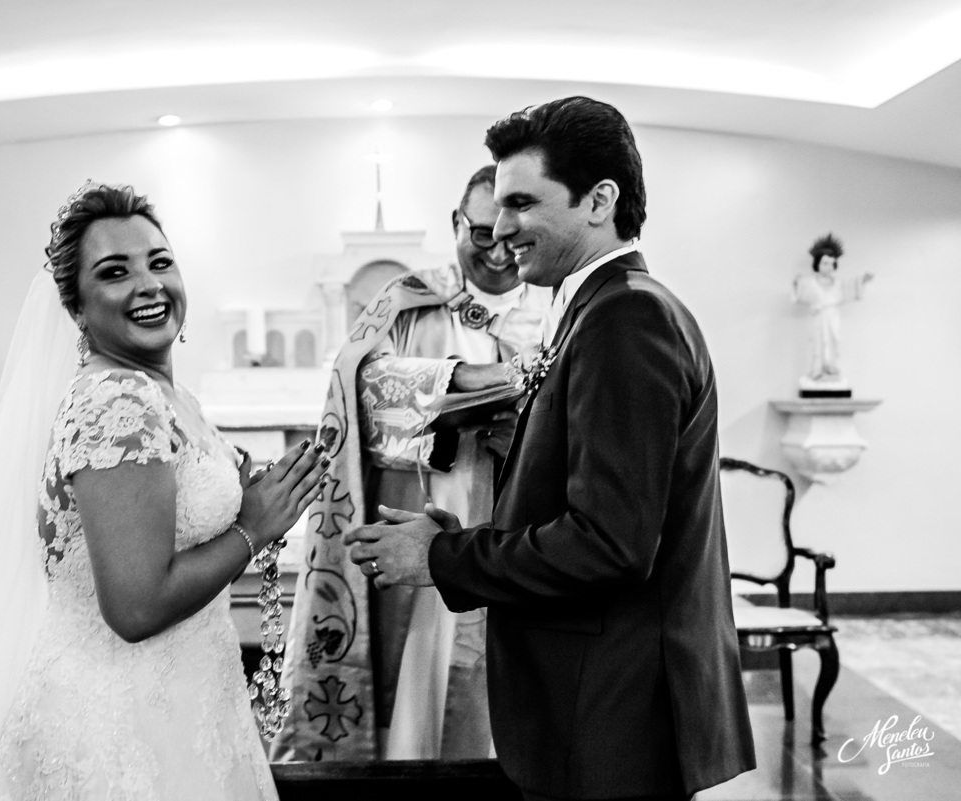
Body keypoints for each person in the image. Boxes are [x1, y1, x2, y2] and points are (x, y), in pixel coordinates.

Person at [0, 182, 329, 800]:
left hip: (182, 699)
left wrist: (245, 500)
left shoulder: (169, 398)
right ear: (77, 308)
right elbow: (134, 608)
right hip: (119, 720)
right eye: (115, 272)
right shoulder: (118, 401)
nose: (150, 284)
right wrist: (253, 530)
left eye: (160, 262)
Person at [345, 97, 756, 800]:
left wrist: (443, 556)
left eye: (523, 203)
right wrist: (473, 532)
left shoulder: (626, 319)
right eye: (495, 209)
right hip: (601, 702)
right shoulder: (607, 307)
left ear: (600, 201)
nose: (503, 230)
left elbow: (610, 544)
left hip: (609, 710)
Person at [271, 166, 550, 762]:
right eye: (480, 233)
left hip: (517, 531)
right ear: (456, 224)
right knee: (417, 692)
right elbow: (361, 386)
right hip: (421, 519)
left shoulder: (554, 310)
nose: (498, 252)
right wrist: (468, 388)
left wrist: (527, 432)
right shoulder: (406, 301)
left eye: (510, 236)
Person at [792, 233, 873, 390]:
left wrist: (863, 280)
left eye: (830, 263)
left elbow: (851, 286)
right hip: (818, 318)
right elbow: (800, 294)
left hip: (832, 317)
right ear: (817, 264)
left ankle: (831, 370)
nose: (827, 267)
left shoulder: (838, 284)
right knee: (818, 344)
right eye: (824, 263)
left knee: (833, 343)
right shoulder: (811, 284)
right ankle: (817, 372)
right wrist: (796, 283)